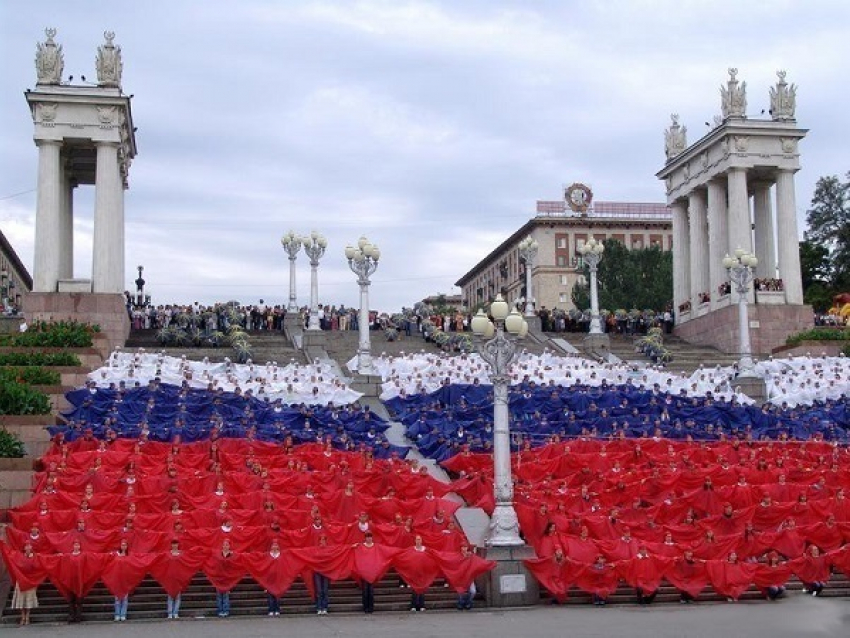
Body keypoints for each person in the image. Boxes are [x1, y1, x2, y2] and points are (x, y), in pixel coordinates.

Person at [11, 542, 38, 626]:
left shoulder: (35, 557)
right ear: (24, 548)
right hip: (21, 580)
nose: (28, 547)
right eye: (26, 546)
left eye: (29, 546)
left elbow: (37, 567)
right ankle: (22, 616)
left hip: (30, 581)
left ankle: (27, 617)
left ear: (31, 547)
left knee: (29, 599)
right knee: (21, 599)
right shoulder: (20, 556)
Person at [113, 539, 130, 621]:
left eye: (125, 545)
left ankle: (123, 614)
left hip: (126, 579)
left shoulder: (129, 555)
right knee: (117, 598)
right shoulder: (116, 554)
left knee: (125, 598)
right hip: (117, 579)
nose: (123, 546)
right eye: (122, 545)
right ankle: (117, 614)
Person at [314, 535, 331, 615]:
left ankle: (324, 607)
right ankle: (319, 607)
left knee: (325, 591)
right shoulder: (315, 550)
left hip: (326, 572)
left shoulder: (329, 550)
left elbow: (339, 549)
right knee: (319, 591)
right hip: (317, 572)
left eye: (324, 540)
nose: (322, 541)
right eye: (321, 540)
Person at [410, 535, 427, 612]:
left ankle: (421, 605)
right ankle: (413, 605)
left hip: (423, 572)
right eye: (417, 539)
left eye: (419, 539)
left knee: (422, 589)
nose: (418, 541)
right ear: (415, 541)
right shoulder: (412, 549)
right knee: (414, 589)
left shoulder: (425, 549)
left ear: (421, 541)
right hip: (414, 572)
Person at [166, 540, 182, 619]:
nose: (175, 545)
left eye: (176, 544)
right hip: (170, 576)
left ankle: (175, 612)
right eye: (173, 544)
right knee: (170, 596)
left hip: (179, 576)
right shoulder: (168, 553)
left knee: (178, 596)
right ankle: (170, 612)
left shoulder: (181, 553)